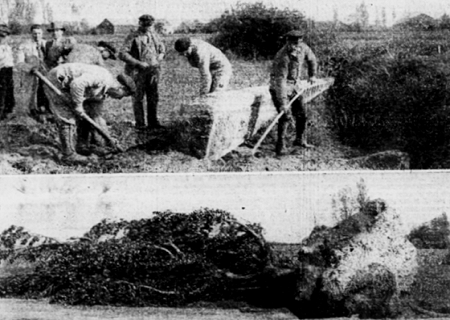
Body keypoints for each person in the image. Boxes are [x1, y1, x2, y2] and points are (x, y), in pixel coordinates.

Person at [43, 63, 136, 164]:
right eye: (121, 96)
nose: (119, 99)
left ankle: (82, 146)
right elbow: (77, 84)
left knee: (86, 115)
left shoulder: (103, 93)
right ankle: (68, 155)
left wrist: (108, 140)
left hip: (70, 85)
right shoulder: (101, 78)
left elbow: (96, 117)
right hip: (57, 81)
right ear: (120, 88)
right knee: (67, 117)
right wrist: (78, 105)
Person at [269, 30, 318, 156]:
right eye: (293, 43)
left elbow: (312, 59)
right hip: (280, 87)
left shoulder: (303, 48)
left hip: (295, 86)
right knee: (285, 116)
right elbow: (280, 81)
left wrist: (312, 75)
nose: (296, 46)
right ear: (287, 42)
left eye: (298, 43)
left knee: (302, 114)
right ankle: (280, 146)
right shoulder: (282, 57)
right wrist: (283, 102)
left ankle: (299, 140)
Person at [119, 14, 166, 132]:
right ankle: (140, 124)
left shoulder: (155, 35)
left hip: (153, 71)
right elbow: (122, 54)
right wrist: (138, 63)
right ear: (140, 24)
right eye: (145, 26)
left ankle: (153, 122)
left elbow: (162, 50)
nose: (148, 28)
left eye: (150, 26)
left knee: (153, 96)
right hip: (137, 72)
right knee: (138, 97)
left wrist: (159, 58)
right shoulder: (132, 37)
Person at [16, 24, 50, 121]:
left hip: (45, 74)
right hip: (31, 74)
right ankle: (30, 112)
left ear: (42, 33)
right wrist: (30, 68)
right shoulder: (24, 46)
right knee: (30, 93)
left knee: (45, 92)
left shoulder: (46, 44)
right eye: (34, 33)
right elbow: (19, 63)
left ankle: (44, 110)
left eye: (39, 33)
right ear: (31, 34)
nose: (37, 35)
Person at [0, 24, 15, 120]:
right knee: (2, 90)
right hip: (1, 70)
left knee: (9, 89)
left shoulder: (8, 47)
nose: (3, 38)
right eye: (1, 36)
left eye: (5, 36)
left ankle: (8, 110)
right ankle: (1, 111)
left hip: (8, 70)